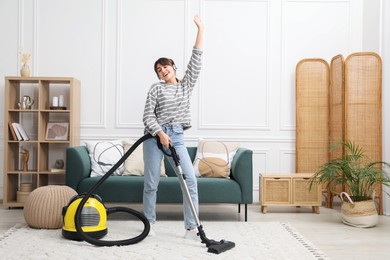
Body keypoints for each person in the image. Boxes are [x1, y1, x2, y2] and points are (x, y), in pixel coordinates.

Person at [142, 15, 203, 239]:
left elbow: (196, 60)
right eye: (158, 69)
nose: (162, 70)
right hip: (152, 138)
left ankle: (191, 227)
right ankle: (148, 224)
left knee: (189, 180)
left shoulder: (186, 86)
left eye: (165, 66)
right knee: (151, 183)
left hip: (176, 137)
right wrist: (159, 133)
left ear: (173, 67)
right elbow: (147, 116)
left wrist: (200, 29)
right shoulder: (155, 89)